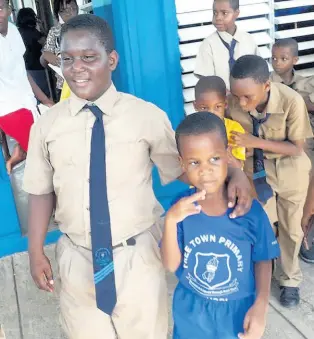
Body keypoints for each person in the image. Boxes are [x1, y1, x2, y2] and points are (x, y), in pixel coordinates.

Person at [23, 14, 253, 339]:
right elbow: (40, 191)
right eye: (68, 59)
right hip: (77, 258)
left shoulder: (145, 116)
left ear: (112, 59)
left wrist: (233, 172)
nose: (77, 67)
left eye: (89, 57)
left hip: (138, 257)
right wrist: (35, 252)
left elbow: (188, 168)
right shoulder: (47, 126)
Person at [161, 112, 280, 339]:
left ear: (227, 155)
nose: (206, 170)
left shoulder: (249, 210)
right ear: (182, 164)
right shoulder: (180, 209)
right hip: (192, 314)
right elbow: (169, 265)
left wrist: (261, 306)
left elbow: (263, 258)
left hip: (237, 312)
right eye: (195, 162)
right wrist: (170, 221)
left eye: (214, 158)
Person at [228, 55, 313, 307]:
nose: (242, 104)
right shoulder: (233, 100)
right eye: (237, 96)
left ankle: (289, 280)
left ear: (266, 86)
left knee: (291, 227)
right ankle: (261, 276)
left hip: (290, 169)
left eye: (248, 97)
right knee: (259, 225)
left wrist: (256, 143)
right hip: (255, 170)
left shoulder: (291, 101)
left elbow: (298, 148)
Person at [0, 0, 53, 173]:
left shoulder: (14, 31)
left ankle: (19, 153)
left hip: (28, 102)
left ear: (9, 9)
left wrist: (45, 100)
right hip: (8, 109)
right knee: (44, 157)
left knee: (40, 145)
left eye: (1, 8)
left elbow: (23, 72)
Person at [194, 0, 259, 89]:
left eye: (224, 13)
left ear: (236, 13)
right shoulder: (208, 45)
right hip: (221, 99)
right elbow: (207, 81)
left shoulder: (249, 40)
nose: (218, 18)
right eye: (215, 13)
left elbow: (258, 71)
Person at [270, 38, 314, 165]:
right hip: (282, 135)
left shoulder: (304, 83)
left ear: (295, 60)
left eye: (283, 59)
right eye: (273, 58)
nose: (277, 63)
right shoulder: (267, 84)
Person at [193, 76, 245, 168]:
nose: (211, 113)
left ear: (225, 104)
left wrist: (227, 153)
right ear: (195, 106)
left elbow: (239, 168)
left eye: (217, 107)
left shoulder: (234, 131)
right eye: (204, 108)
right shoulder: (191, 132)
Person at [42, 0, 78, 99]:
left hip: (85, 82)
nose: (70, 13)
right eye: (64, 10)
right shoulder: (55, 31)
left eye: (73, 8)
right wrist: (50, 57)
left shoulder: (86, 28)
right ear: (58, 13)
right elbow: (46, 53)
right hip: (64, 85)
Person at [16, 8, 50, 98]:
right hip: (37, 68)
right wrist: (42, 28)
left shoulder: (17, 32)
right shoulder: (33, 32)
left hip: (24, 68)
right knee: (43, 94)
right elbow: (48, 43)